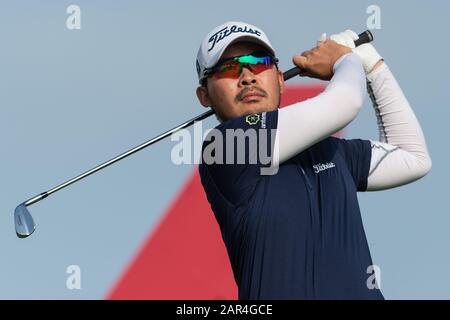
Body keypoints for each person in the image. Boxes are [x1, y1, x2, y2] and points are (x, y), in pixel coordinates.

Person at [195, 21, 432, 299]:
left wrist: (372, 65)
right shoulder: (225, 146)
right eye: (228, 68)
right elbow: (346, 103)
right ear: (204, 96)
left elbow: (413, 157)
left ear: (280, 78)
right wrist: (344, 59)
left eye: (258, 62)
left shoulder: (330, 152)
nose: (247, 76)